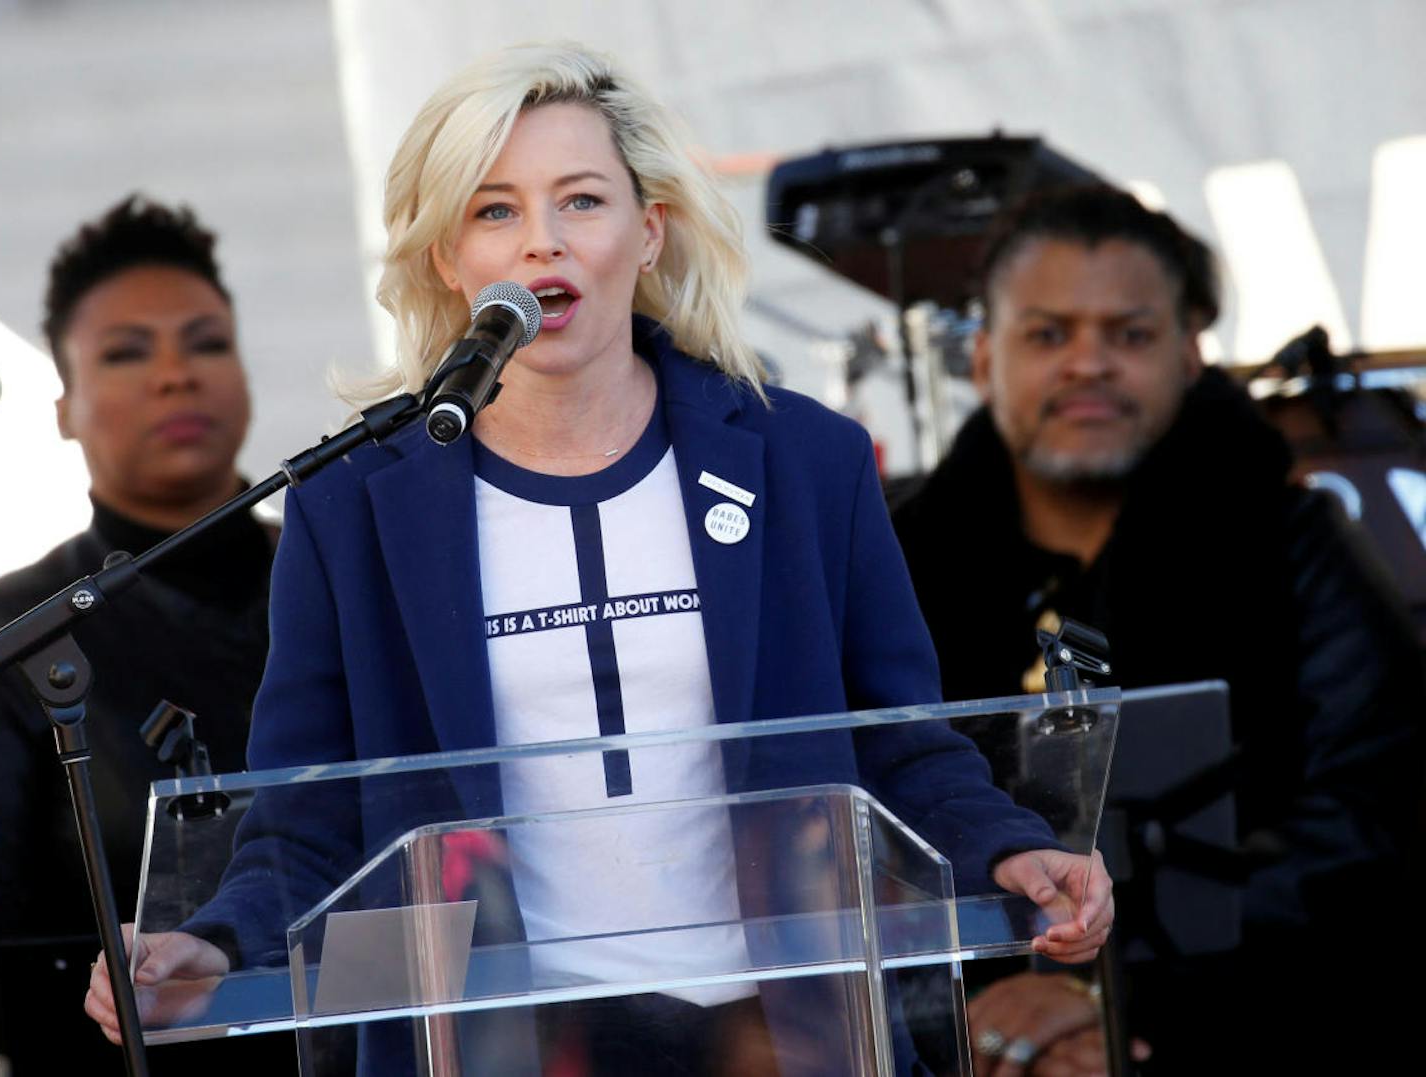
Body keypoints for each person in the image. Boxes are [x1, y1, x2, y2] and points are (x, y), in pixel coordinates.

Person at [84, 45, 1114, 1075]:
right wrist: (211, 940)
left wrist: (1006, 844)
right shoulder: (349, 508)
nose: (542, 245)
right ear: (447, 258)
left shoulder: (806, 463)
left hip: (778, 1038)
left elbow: (899, 744)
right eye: (493, 212)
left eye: (580, 201)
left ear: (649, 230)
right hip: (494, 1047)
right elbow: (306, 819)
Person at [890, 186, 1423, 1073]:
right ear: (984, 361)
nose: (1089, 363)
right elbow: (843, 840)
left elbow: (1366, 820)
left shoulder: (1292, 544)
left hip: (1267, 1024)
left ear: (1189, 355)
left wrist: (1106, 995)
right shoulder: (897, 563)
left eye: (1129, 335)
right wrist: (980, 1011)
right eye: (1048, 334)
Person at [0, 195, 293, 1074]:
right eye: (125, 353)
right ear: (65, 408)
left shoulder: (337, 581)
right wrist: (126, 990)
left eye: (207, 342)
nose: (175, 375)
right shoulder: (3, 633)